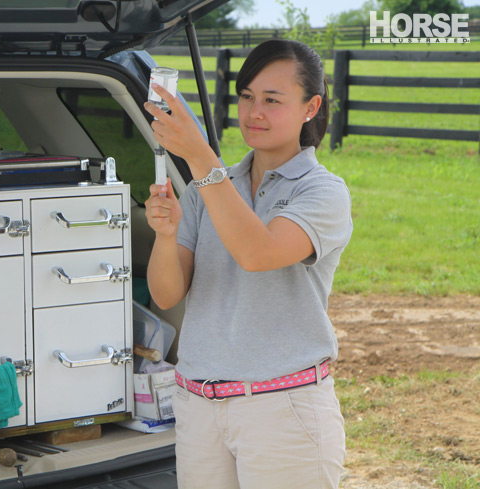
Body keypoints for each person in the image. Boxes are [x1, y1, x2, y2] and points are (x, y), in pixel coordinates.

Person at [143, 39, 352, 489]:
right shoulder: (207, 188)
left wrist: (200, 157)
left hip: (283, 410)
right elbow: (166, 294)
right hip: (198, 406)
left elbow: (258, 254)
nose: (254, 111)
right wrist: (164, 236)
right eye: (247, 97)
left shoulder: (323, 192)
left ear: (310, 106)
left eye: (272, 100)